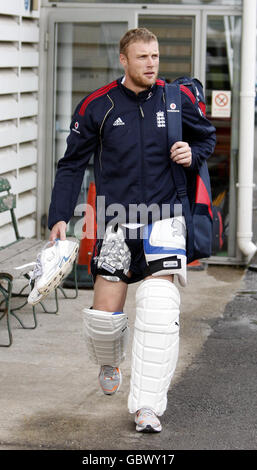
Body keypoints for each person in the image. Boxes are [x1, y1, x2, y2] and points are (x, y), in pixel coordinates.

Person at [47, 28, 216, 433]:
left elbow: (207, 138)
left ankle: (147, 408)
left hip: (165, 220)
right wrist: (58, 216)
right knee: (104, 319)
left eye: (155, 56)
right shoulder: (97, 105)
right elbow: (72, 165)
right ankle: (109, 359)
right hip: (116, 220)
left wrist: (192, 153)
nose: (151, 63)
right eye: (142, 57)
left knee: (159, 312)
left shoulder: (176, 101)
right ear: (124, 60)